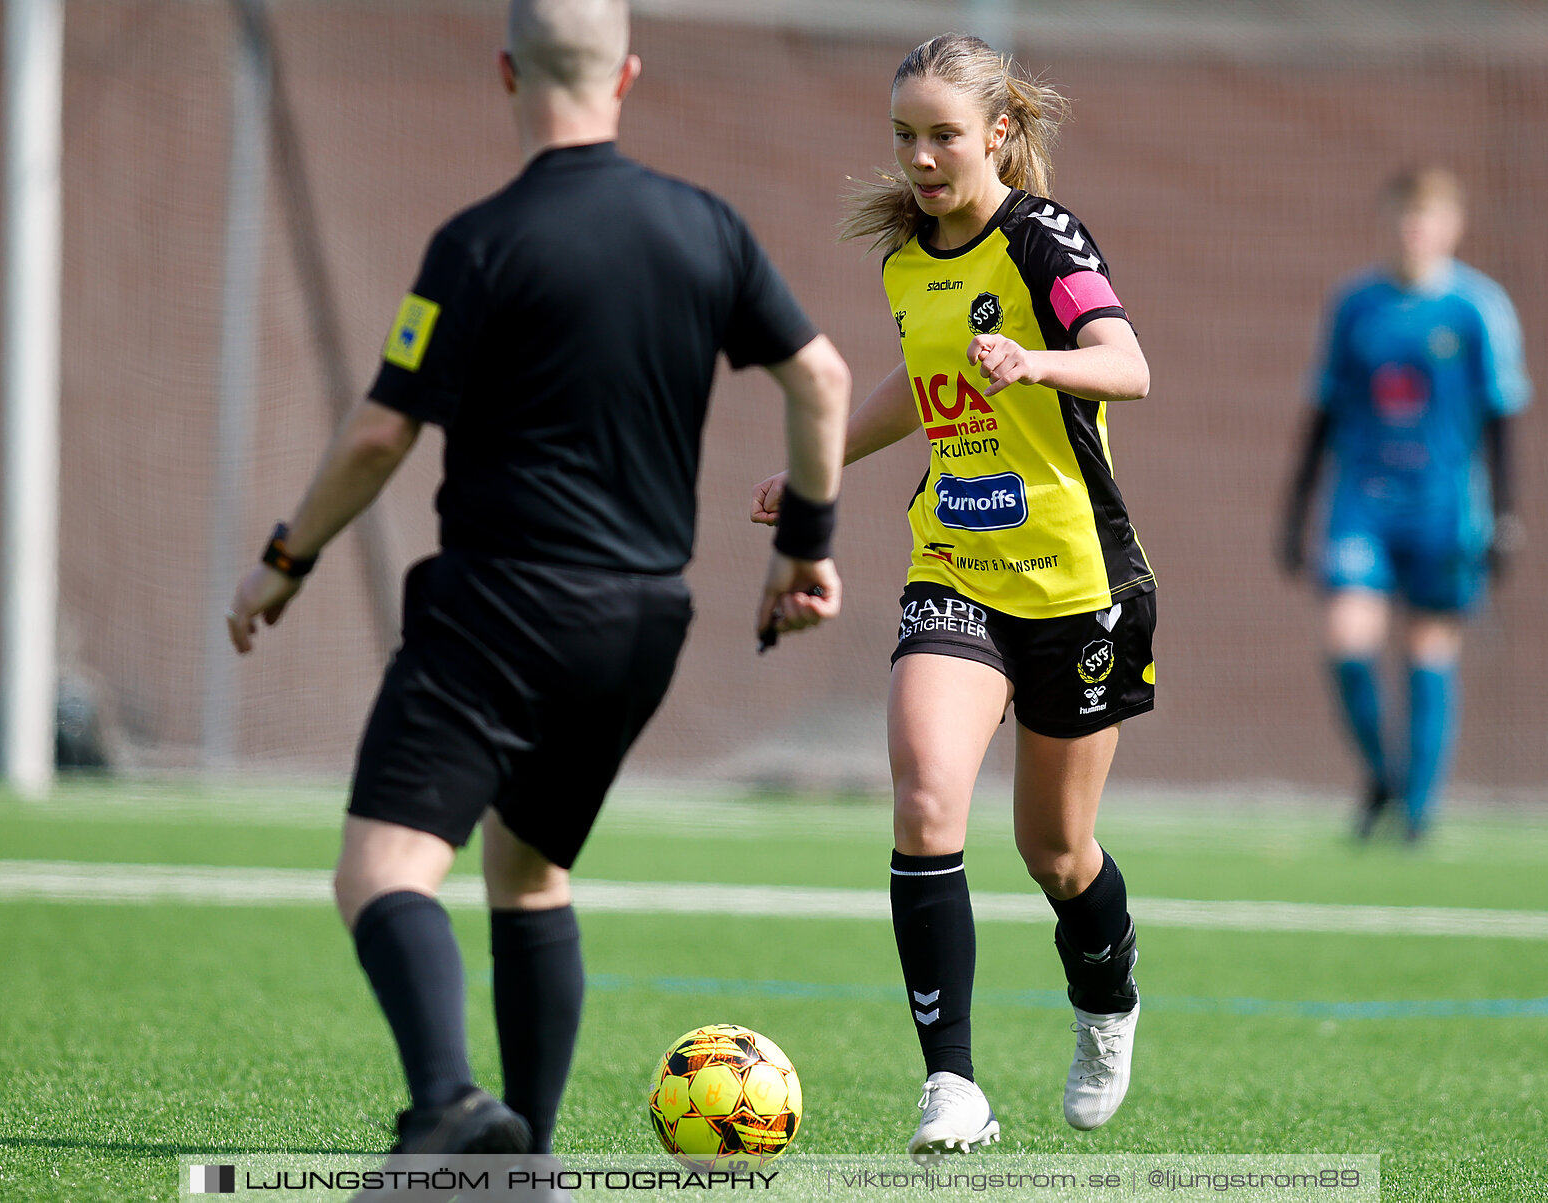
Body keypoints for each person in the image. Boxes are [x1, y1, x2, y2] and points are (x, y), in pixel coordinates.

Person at [226, 0, 850, 1158]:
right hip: (642, 622)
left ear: (508, 71)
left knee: (382, 873)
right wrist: (804, 544)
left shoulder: (479, 242)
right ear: (627, 78)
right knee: (528, 870)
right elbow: (820, 376)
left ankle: (451, 1109)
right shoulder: (707, 227)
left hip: (503, 604)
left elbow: (378, 436)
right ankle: (530, 1161)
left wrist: (286, 559)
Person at [754, 33, 1155, 1157]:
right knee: (927, 795)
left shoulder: (1042, 240)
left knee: (1056, 853)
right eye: (903, 136)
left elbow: (1129, 365)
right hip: (956, 569)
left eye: (942, 135)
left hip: (1079, 586)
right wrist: (817, 463)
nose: (921, 158)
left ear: (999, 133)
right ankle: (953, 1086)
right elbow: (922, 384)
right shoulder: (906, 260)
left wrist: (1040, 363)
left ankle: (1108, 1000)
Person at [1280, 167, 1530, 843]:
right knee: (1347, 642)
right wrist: (1295, 508)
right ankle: (1382, 776)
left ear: (1453, 227)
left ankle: (1416, 812)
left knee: (1428, 649)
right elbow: (1324, 409)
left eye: (1428, 219)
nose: (1414, 231)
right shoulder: (1356, 304)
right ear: (1390, 222)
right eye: (1404, 217)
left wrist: (1506, 516)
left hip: (1444, 506)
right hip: (1363, 501)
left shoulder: (1478, 308)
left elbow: (1503, 416)